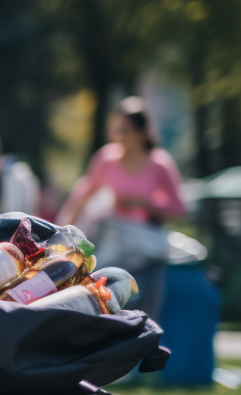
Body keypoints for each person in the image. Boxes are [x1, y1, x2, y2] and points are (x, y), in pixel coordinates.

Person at [57, 96, 186, 318]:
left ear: (142, 133)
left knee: (146, 313)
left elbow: (179, 209)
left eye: (124, 130)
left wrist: (144, 203)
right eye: (117, 130)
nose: (118, 137)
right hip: (114, 244)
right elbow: (82, 196)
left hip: (148, 252)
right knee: (107, 303)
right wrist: (63, 232)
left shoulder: (159, 163)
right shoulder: (107, 159)